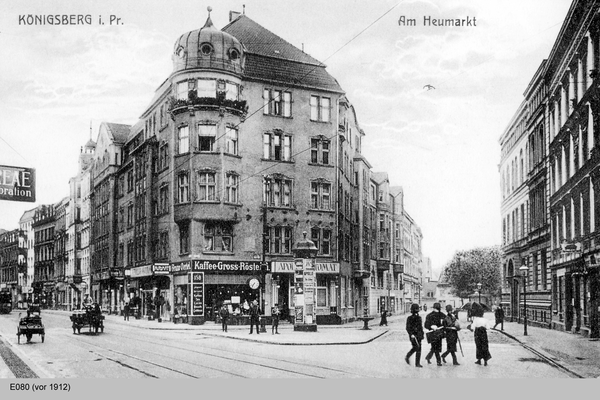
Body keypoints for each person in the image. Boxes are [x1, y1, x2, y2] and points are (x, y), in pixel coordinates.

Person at [405, 303, 424, 368]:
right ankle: (408, 356)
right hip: (413, 335)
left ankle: (417, 363)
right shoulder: (409, 318)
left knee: (419, 348)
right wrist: (411, 334)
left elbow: (420, 327)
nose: (416, 311)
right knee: (416, 347)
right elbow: (408, 327)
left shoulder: (419, 318)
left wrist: (422, 334)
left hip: (419, 335)